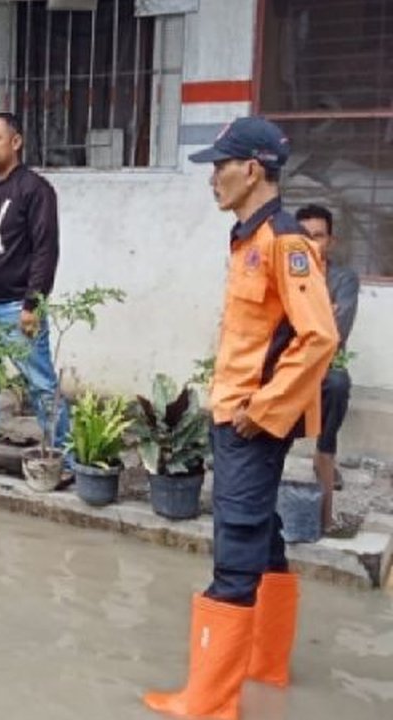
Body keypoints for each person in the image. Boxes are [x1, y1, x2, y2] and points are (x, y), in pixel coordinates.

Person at [144, 117, 338, 719]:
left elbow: (319, 337)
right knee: (263, 534)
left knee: (235, 546)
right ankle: (264, 664)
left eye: (219, 166)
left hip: (251, 422)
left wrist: (263, 408)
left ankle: (208, 703)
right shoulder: (248, 238)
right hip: (237, 412)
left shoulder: (285, 242)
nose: (212, 179)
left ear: (251, 169)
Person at [0, 112, 67, 453]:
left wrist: (31, 305)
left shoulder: (35, 190)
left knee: (39, 385)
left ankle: (64, 458)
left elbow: (45, 251)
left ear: (16, 142)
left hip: (15, 309)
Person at [295, 204, 360, 534]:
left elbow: (338, 332)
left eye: (317, 236)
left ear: (329, 241)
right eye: (303, 236)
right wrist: (321, 320)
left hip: (326, 364)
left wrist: (306, 329)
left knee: (337, 383)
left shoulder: (343, 279)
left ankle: (324, 455)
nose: (311, 243)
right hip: (289, 366)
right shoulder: (286, 276)